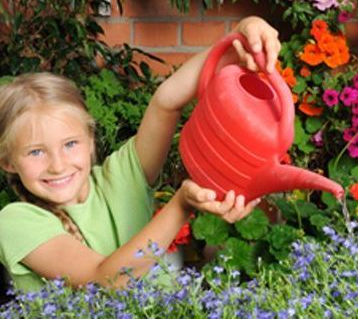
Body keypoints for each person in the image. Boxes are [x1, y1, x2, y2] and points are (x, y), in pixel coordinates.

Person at [0, 16, 281, 292]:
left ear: (90, 140)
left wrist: (243, 38)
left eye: (70, 144)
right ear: (7, 162)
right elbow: (105, 280)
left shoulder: (121, 179)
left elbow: (167, 102)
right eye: (36, 151)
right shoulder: (15, 221)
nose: (58, 165)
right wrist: (182, 204)